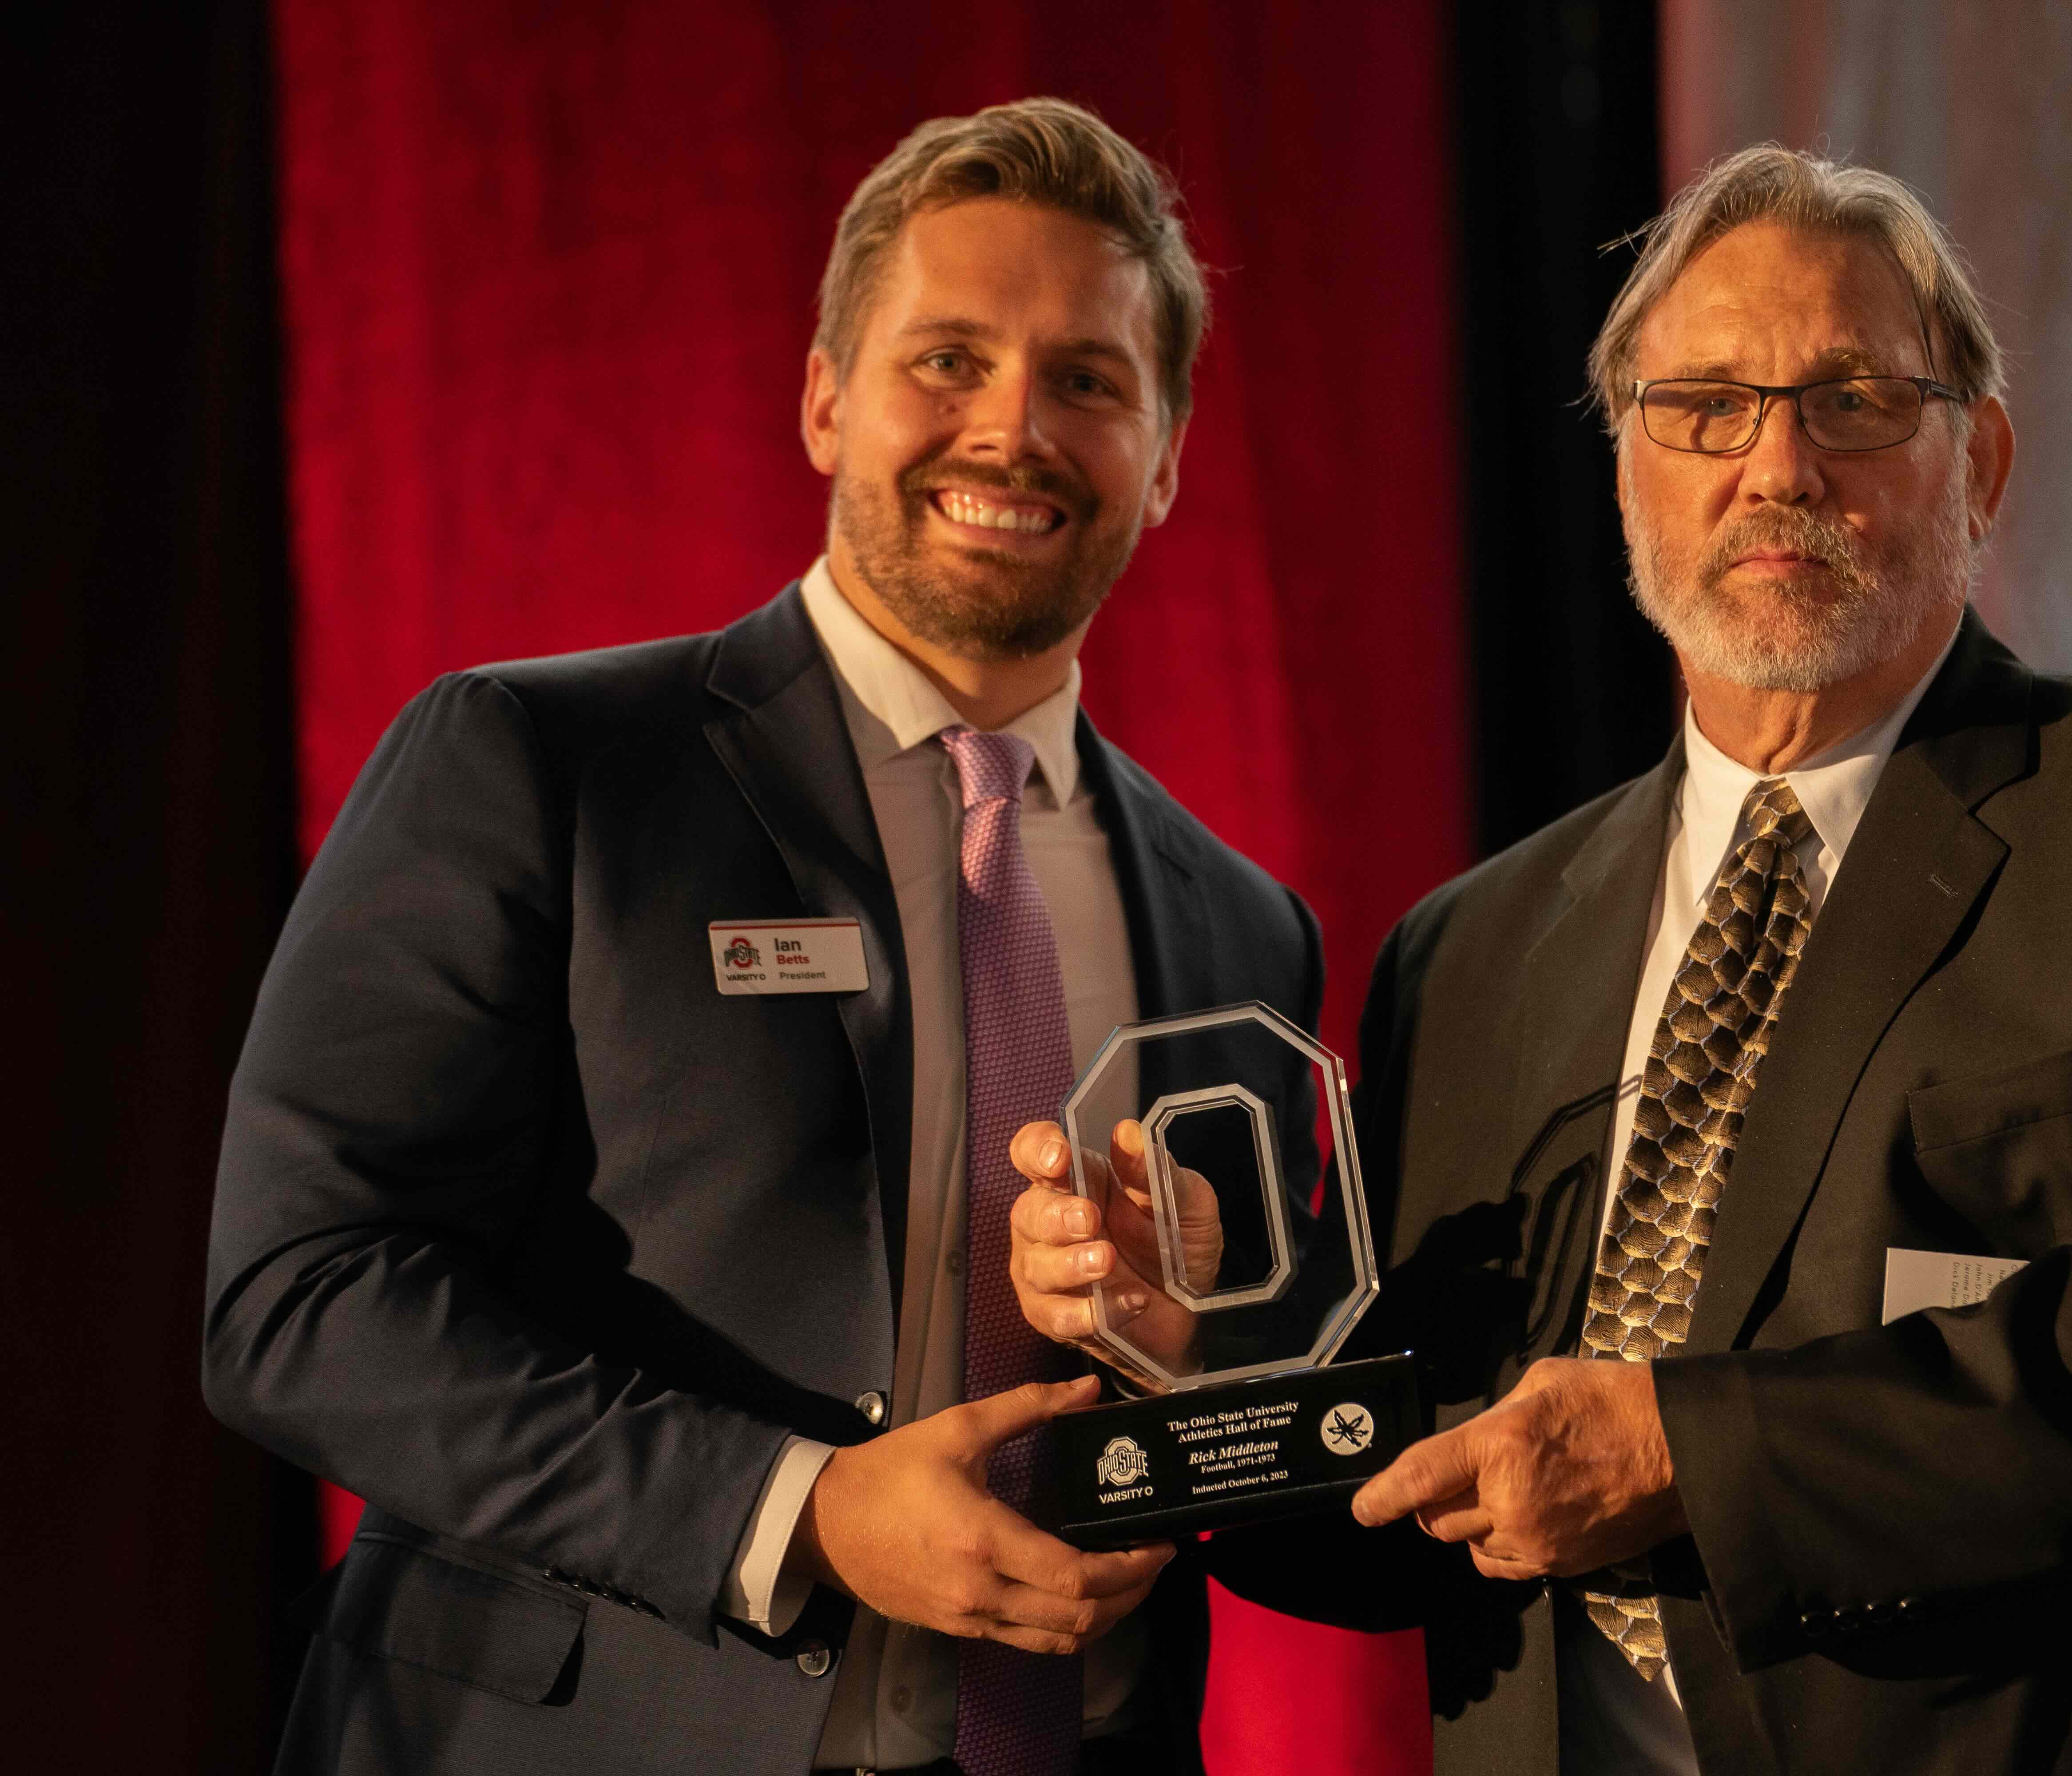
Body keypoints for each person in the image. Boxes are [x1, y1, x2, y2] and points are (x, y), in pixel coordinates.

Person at [1011, 145, 2072, 1773]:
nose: (1777, 463)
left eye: (1854, 398)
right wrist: (1191, 1360)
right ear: (1631, 471)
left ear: (1981, 462)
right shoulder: (1473, 948)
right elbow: (1411, 1495)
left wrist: (1682, 1451)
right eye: (1704, 403)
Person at [206, 98, 1322, 1776]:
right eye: (946, 360)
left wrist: (1190, 1365)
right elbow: (300, 1300)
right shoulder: (542, 766)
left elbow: (1257, 1408)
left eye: (1087, 380)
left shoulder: (1244, 922)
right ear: (824, 399)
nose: (1011, 429)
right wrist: (792, 1510)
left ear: (1164, 457)